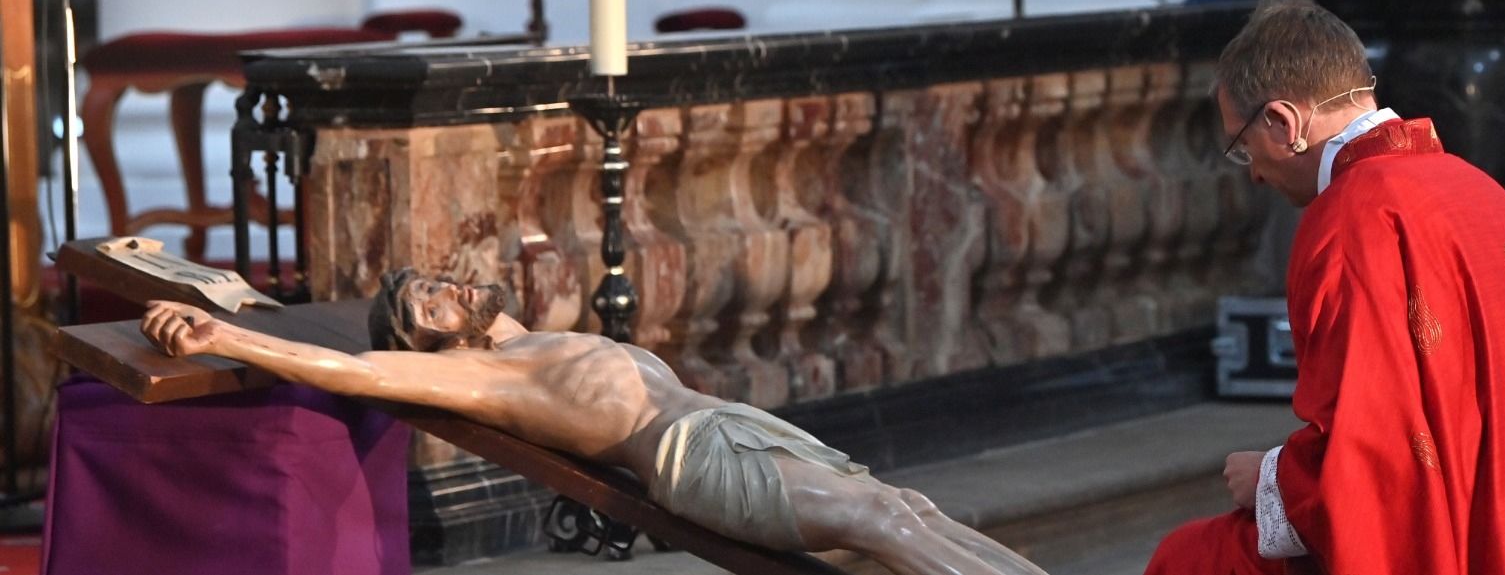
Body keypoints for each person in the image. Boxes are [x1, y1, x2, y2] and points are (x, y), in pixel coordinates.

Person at [1145, 0, 1505, 574]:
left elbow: (1375, 455)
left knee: (1190, 560)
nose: (1254, 172)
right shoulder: (1476, 186)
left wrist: (1270, 476)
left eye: (1242, 148)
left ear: (1283, 123)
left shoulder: (1351, 219)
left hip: (1488, 546)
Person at [140, 268, 1046, 575]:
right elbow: (349, 364)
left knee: (910, 507)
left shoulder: (528, 339)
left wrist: (247, 304)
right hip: (694, 458)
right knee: (880, 523)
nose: (448, 288)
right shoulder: (486, 376)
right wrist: (224, 333)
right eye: (429, 302)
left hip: (732, 424)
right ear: (434, 343)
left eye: (436, 278)